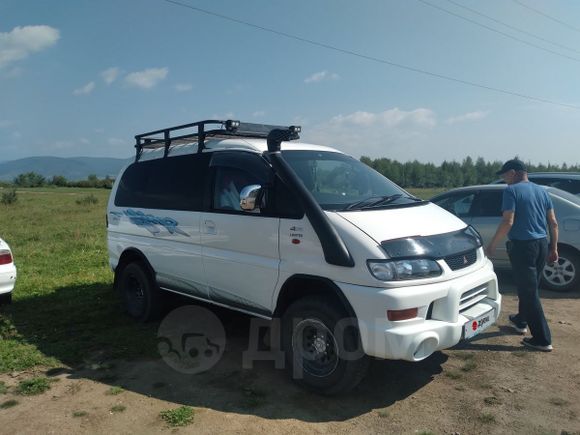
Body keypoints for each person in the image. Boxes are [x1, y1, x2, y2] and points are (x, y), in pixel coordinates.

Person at [486, 158, 558, 352]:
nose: (503, 179)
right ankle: (521, 320)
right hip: (542, 244)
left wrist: (492, 244)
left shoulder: (511, 191)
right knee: (529, 286)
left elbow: (508, 221)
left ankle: (542, 339)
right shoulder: (542, 191)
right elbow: (553, 222)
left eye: (504, 175)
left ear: (513, 172)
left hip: (523, 247)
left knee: (529, 292)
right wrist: (554, 248)